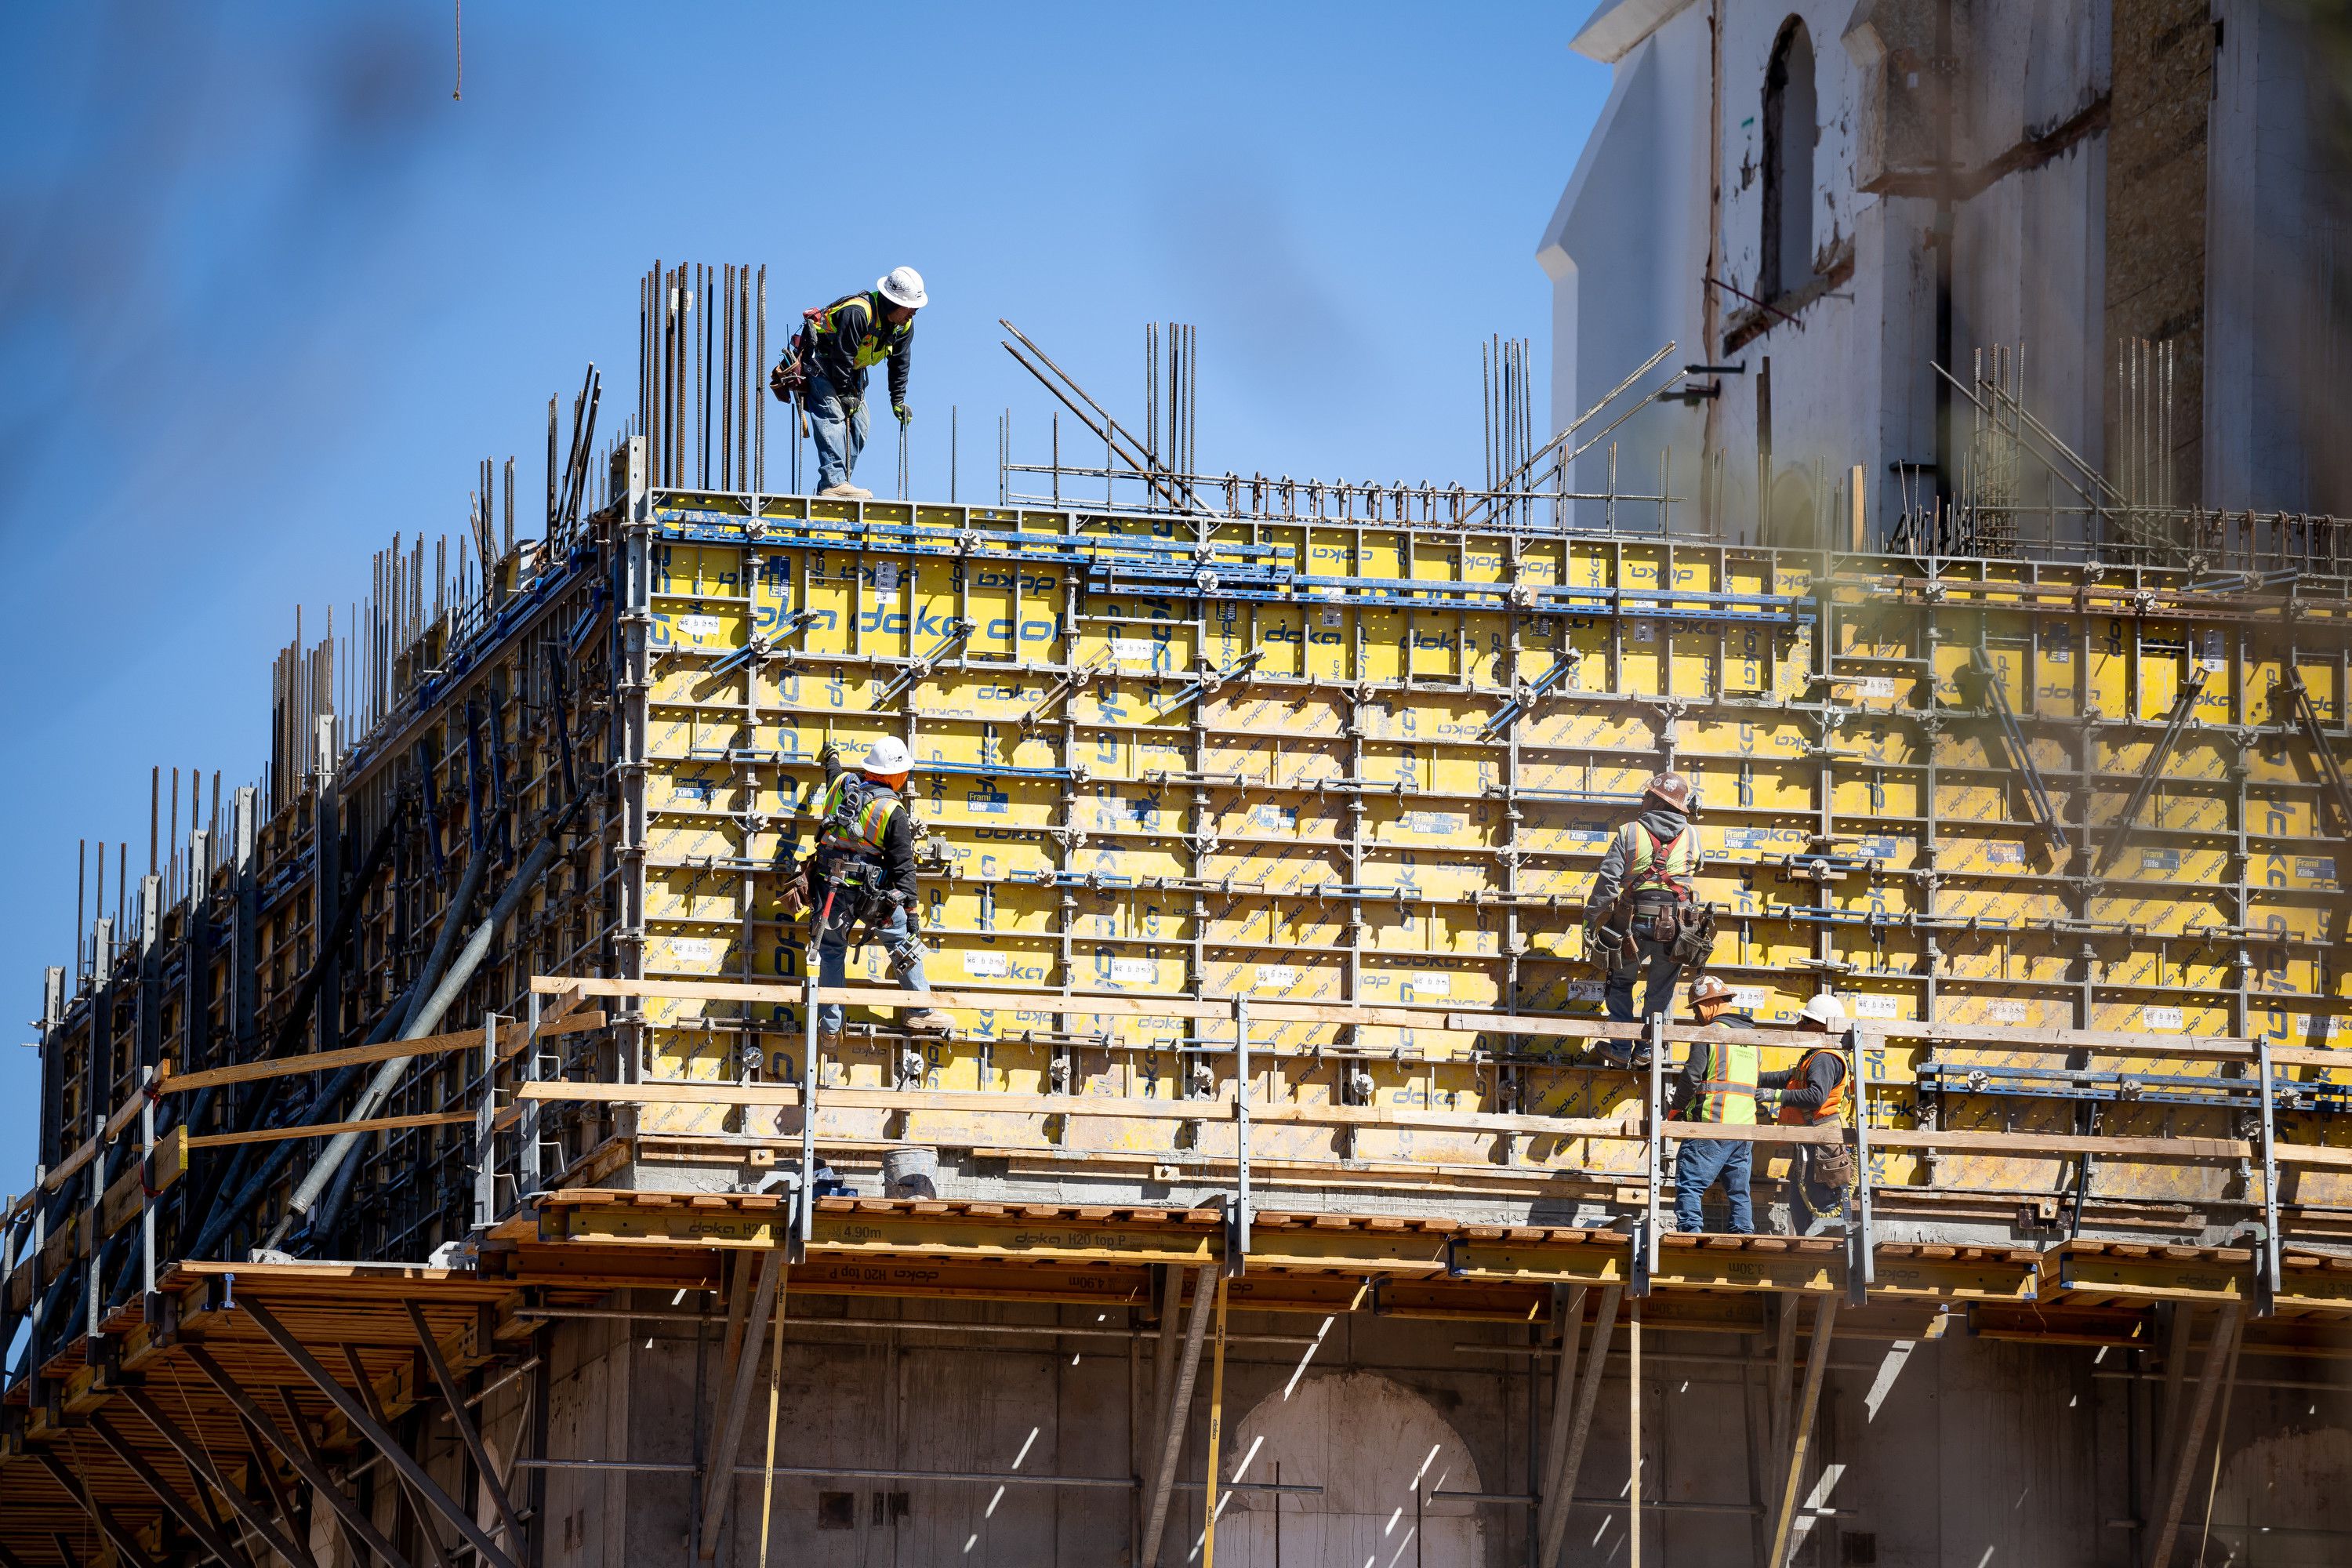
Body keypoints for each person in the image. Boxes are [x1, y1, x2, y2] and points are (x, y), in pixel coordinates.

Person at [779, 735, 949, 1038]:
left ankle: (829, 1028)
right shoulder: (892, 810)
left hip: (830, 889)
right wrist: (911, 914)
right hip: (874, 895)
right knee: (902, 944)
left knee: (830, 952)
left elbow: (833, 771)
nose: (906, 777)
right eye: (905, 772)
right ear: (895, 774)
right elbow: (902, 866)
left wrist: (830, 755)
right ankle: (921, 1012)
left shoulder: (842, 783)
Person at [1584, 771, 1709, 1057]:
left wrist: (1591, 918)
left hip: (1631, 926)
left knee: (1621, 983)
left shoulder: (1629, 832)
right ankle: (1647, 1049)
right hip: (1677, 930)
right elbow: (1696, 868)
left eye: (1647, 797)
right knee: (1661, 990)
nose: (1643, 801)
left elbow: (1607, 882)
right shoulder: (1692, 835)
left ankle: (1620, 1047)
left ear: (1655, 802)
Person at [799, 266, 926, 500]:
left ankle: (839, 483)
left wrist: (898, 400)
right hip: (823, 364)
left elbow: (899, 362)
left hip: (851, 372)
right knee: (832, 416)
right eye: (911, 308)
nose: (914, 313)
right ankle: (833, 482)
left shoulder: (903, 325)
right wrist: (845, 393)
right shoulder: (859, 311)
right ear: (893, 301)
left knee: (861, 425)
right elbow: (841, 355)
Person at [1666, 975, 1759, 1233]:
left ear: (1708, 1004)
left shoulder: (1709, 1034)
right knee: (1739, 1190)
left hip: (1713, 1124)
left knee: (1690, 1183)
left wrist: (1675, 1110)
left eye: (1696, 1008)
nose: (1696, 1016)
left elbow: (1691, 1077)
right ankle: (1743, 1232)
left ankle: (1690, 1231)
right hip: (1744, 1130)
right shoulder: (1753, 1040)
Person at [1759, 992, 1857, 1233]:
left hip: (1821, 1142)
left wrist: (1776, 1096)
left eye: (1805, 1021)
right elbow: (1790, 1078)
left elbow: (1815, 1098)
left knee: (1820, 1204)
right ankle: (1814, 1249)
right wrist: (1754, 1078)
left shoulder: (1824, 1058)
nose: (1799, 1025)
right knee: (1801, 1204)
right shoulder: (1814, 1056)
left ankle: (1830, 1255)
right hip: (1813, 1141)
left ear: (1822, 1027)